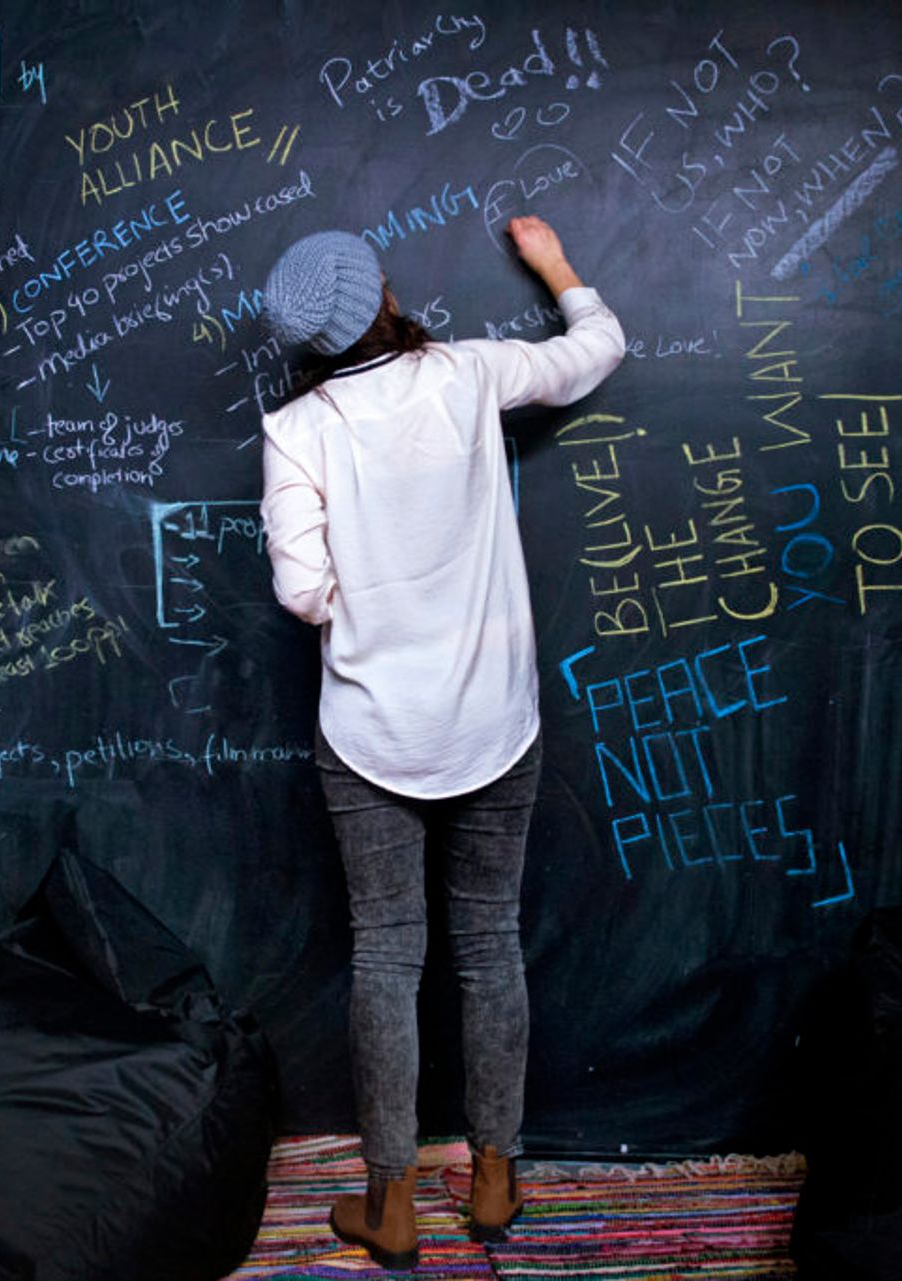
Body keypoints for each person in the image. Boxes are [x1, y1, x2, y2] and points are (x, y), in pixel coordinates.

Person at [258, 216, 624, 1269]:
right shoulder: (465, 375)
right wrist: (557, 267)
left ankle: (391, 1202)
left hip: (373, 732)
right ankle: (497, 1177)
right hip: (493, 725)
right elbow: (595, 352)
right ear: (380, 298)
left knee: (385, 955)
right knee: (489, 942)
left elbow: (301, 590)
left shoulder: (299, 429)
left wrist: (364, 602)